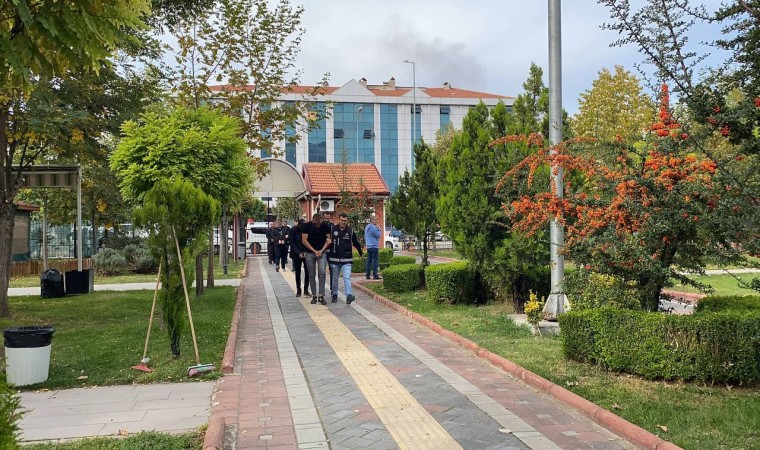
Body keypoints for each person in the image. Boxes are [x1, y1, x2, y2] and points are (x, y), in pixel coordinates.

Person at [328, 213, 363, 304]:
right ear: (339, 219)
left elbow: (355, 242)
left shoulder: (350, 231)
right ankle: (334, 294)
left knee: (347, 277)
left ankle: (349, 295)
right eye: (342, 220)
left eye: (345, 220)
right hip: (334, 259)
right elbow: (327, 242)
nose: (343, 222)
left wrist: (360, 252)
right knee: (335, 278)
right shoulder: (332, 229)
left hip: (347, 259)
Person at [302, 213, 332, 305]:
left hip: (322, 252)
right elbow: (304, 240)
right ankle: (314, 295)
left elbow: (329, 240)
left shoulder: (325, 226)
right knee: (311, 274)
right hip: (310, 252)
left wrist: (322, 250)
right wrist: (314, 250)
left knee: (322, 273)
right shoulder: (306, 226)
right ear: (313, 220)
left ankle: (321, 295)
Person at [289, 219, 310, 297]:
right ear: (299, 225)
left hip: (306, 253)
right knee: (298, 272)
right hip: (296, 254)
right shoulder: (293, 230)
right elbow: (292, 243)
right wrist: (299, 253)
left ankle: (306, 289)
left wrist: (306, 251)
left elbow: (309, 241)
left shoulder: (307, 230)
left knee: (307, 271)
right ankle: (298, 289)